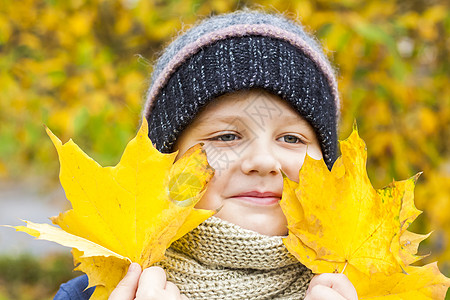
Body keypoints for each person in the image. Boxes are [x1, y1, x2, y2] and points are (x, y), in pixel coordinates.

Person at [55, 10, 358, 300]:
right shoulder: (99, 291)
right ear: (165, 163)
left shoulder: (372, 286)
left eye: (291, 138)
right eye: (227, 137)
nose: (264, 162)